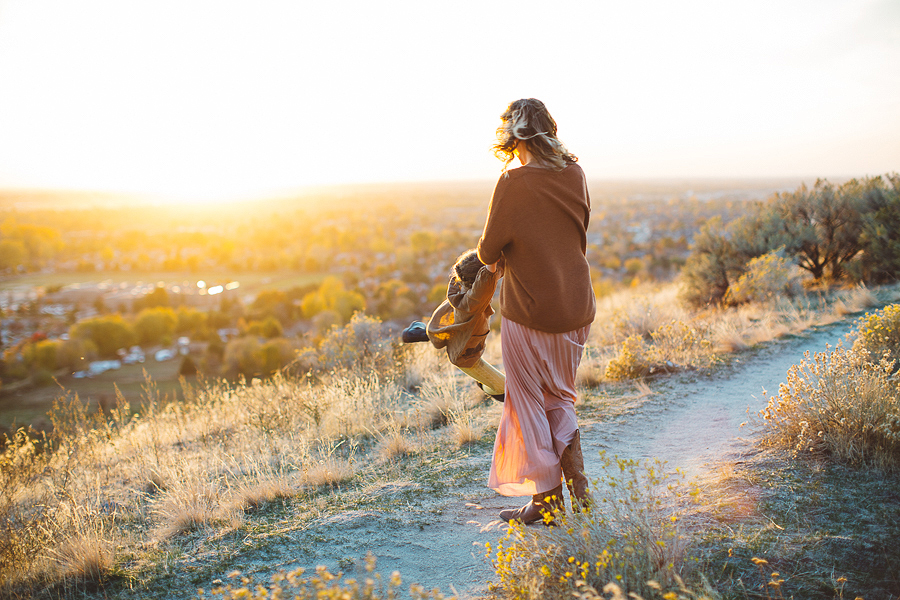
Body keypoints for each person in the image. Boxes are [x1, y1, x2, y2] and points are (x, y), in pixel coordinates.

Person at [477, 98, 596, 525]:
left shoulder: (513, 182)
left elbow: (488, 251)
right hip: (578, 308)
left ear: (511, 136)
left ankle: (546, 504)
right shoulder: (576, 174)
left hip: (531, 312)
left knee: (527, 402)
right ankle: (579, 493)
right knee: (560, 397)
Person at [401, 249, 506, 401]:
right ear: (480, 280)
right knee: (505, 390)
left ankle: (421, 332)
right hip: (466, 358)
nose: (499, 272)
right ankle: (484, 384)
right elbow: (488, 275)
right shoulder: (476, 299)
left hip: (463, 342)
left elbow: (481, 272)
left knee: (455, 329)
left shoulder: (462, 289)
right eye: (497, 270)